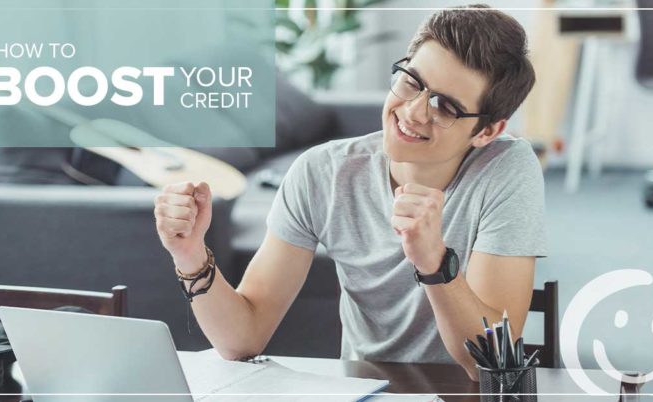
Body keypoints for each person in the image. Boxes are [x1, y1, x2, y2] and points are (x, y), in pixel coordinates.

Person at [153, 4, 545, 381]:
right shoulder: (322, 172)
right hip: (366, 390)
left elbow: (489, 365)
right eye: (412, 82)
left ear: (487, 132)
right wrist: (190, 255)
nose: (413, 112)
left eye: (445, 107)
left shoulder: (506, 168)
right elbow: (242, 340)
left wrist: (435, 264)